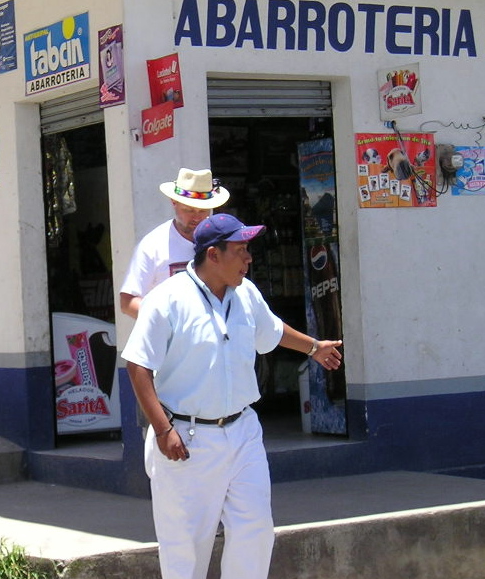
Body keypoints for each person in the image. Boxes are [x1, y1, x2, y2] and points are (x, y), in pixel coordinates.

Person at [121, 213, 343, 579]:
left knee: (254, 531)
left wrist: (313, 347)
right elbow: (138, 366)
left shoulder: (246, 294)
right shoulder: (167, 299)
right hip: (187, 439)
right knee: (186, 547)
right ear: (213, 255)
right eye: (240, 251)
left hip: (242, 432)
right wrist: (162, 430)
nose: (249, 258)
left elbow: (271, 330)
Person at [119, 167, 229, 319]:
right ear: (174, 202)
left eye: (203, 211)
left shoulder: (223, 242)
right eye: (189, 210)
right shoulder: (153, 245)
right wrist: (168, 323)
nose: (196, 218)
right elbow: (127, 302)